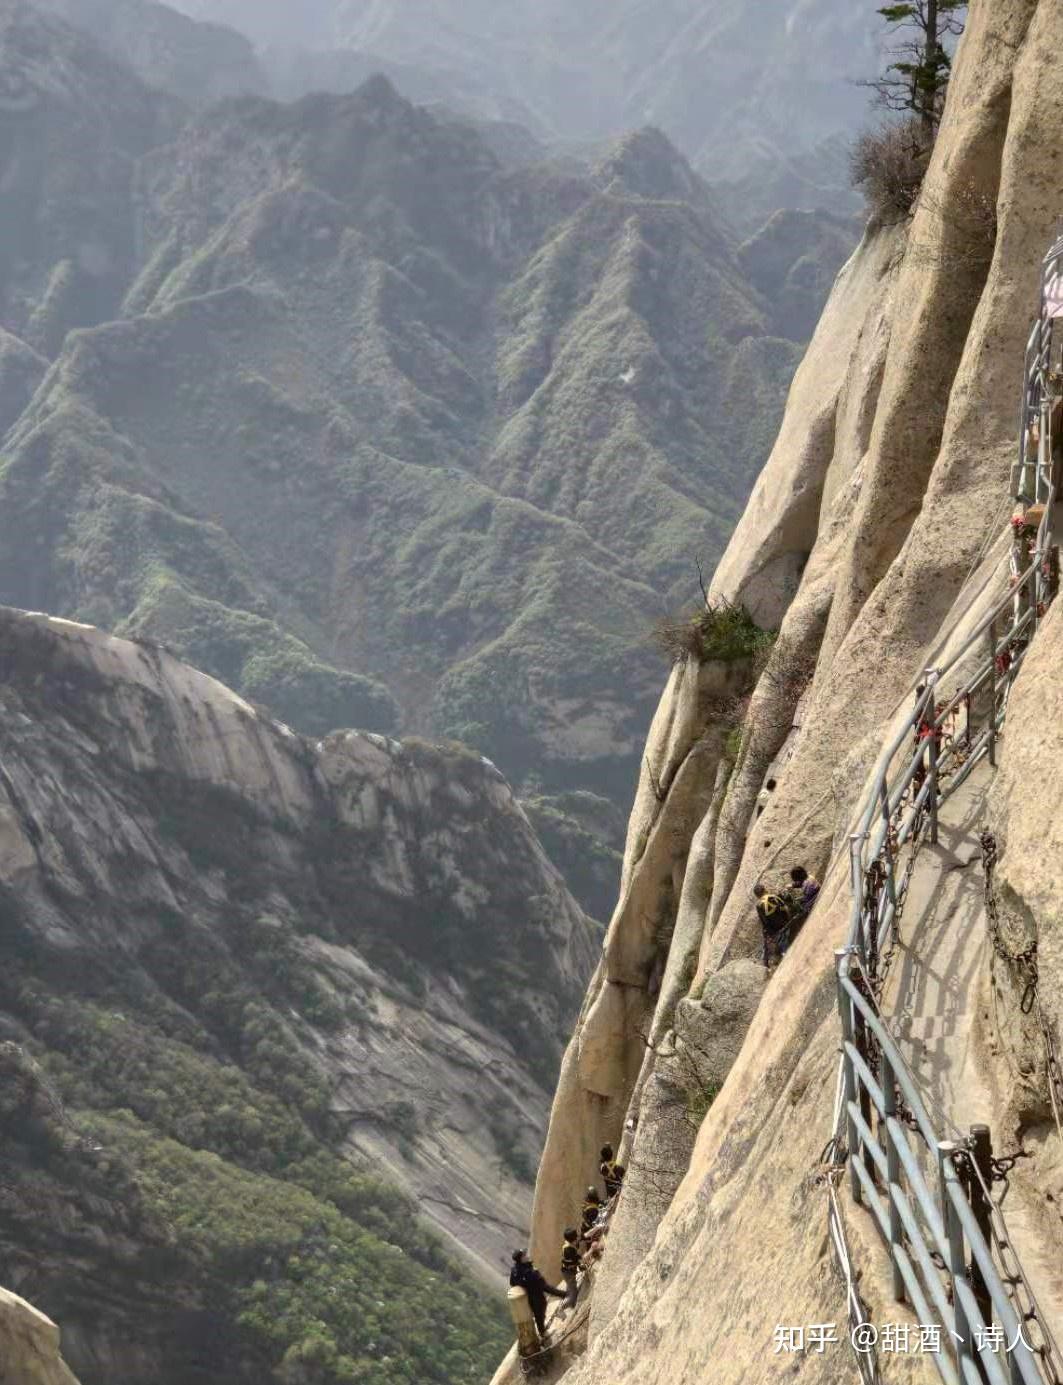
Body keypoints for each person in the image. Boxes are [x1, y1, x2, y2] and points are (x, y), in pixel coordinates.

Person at [510, 1249, 564, 1338]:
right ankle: (542, 1332)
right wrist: (563, 1294)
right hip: (535, 1294)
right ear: (521, 1259)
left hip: (529, 1294)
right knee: (539, 1312)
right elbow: (543, 1286)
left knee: (539, 1311)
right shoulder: (526, 1271)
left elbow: (512, 1283)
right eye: (524, 1255)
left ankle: (541, 1328)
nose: (526, 1256)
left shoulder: (514, 1270)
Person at [753, 881, 792, 972]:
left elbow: (764, 921)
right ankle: (782, 954)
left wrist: (768, 932)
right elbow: (785, 908)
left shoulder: (759, 905)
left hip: (775, 929)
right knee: (783, 941)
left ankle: (767, 964)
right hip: (785, 923)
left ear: (757, 896)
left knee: (770, 945)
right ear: (764, 890)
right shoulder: (774, 897)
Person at [559, 1227, 583, 1312]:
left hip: (567, 1271)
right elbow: (575, 1260)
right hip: (568, 1273)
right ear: (574, 1238)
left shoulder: (568, 1245)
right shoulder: (569, 1250)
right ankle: (561, 1309)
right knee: (574, 1294)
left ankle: (572, 1306)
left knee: (570, 1289)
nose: (578, 1237)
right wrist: (581, 1265)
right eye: (576, 1236)